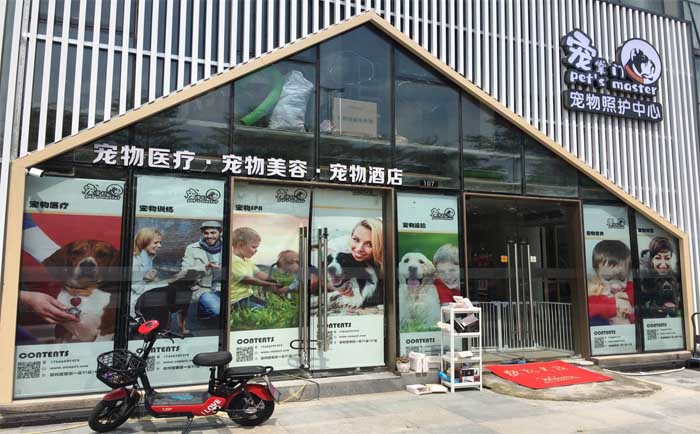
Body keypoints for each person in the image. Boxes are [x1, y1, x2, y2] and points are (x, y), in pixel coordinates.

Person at [181, 221, 224, 329]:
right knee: (218, 309)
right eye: (206, 233)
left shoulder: (229, 247)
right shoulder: (192, 248)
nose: (209, 236)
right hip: (204, 289)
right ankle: (203, 310)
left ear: (220, 233)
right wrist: (204, 267)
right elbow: (184, 272)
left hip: (225, 289)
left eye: (213, 233)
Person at [230, 227, 281, 310]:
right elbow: (246, 279)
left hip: (247, 296)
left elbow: (257, 273)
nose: (256, 250)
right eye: (254, 247)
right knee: (260, 309)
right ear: (240, 245)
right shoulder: (234, 260)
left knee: (268, 306)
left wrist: (272, 280)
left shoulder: (247, 260)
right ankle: (233, 309)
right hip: (236, 299)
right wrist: (268, 284)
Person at [587, 240, 635, 326]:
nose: (616, 286)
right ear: (596, 273)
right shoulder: (593, 289)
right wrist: (614, 304)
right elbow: (586, 308)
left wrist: (630, 317)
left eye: (621, 279)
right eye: (608, 279)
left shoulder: (631, 289)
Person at [130, 228, 163, 315]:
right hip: (134, 301)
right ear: (144, 242)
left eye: (160, 242)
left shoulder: (148, 257)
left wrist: (149, 277)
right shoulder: (134, 259)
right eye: (156, 243)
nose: (160, 245)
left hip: (141, 297)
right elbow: (137, 287)